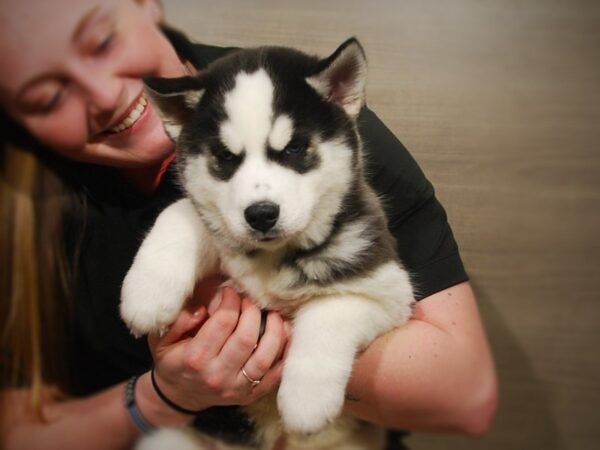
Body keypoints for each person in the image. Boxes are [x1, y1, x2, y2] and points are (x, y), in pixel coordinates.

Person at [0, 0, 498, 448]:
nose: (105, 95)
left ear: (145, 4)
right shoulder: (25, 202)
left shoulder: (307, 111)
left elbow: (465, 398)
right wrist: (162, 397)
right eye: (47, 97)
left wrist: (295, 348)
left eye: (103, 41)